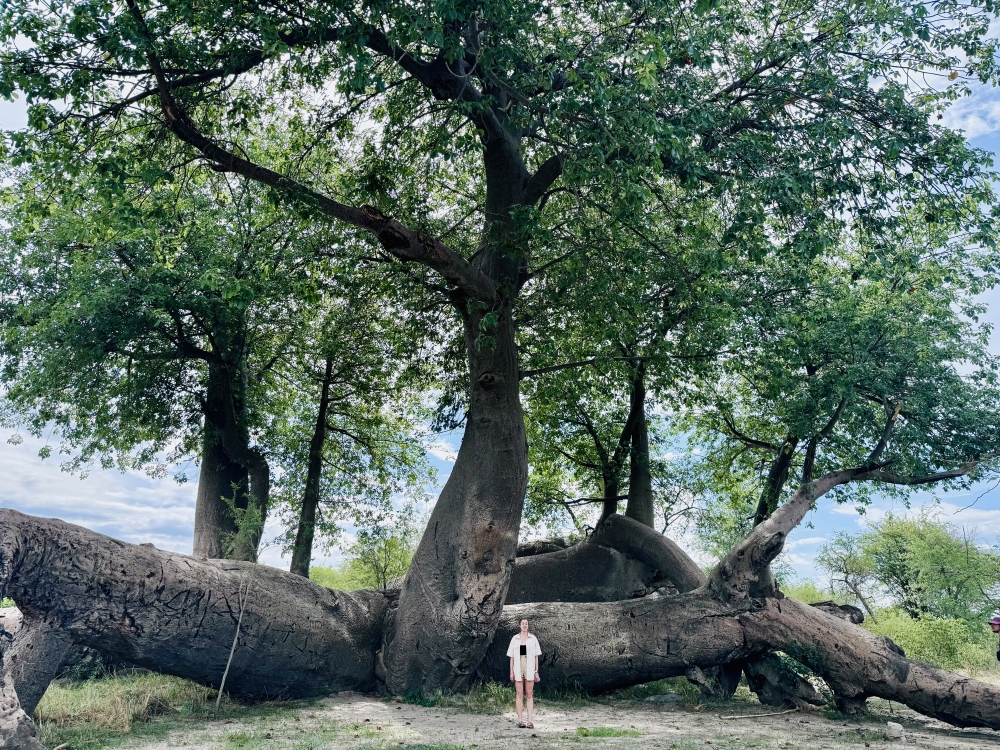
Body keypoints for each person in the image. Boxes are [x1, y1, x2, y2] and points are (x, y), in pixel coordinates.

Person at [507, 618, 541, 728]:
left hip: (529, 668)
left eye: (526, 624)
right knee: (519, 694)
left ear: (528, 625)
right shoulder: (515, 639)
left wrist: (536, 671)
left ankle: (530, 721)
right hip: (518, 668)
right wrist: (511, 671)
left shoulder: (533, 639)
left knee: (529, 694)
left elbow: (536, 656)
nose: (525, 625)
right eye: (523, 623)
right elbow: (511, 657)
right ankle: (520, 720)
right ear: (519, 625)